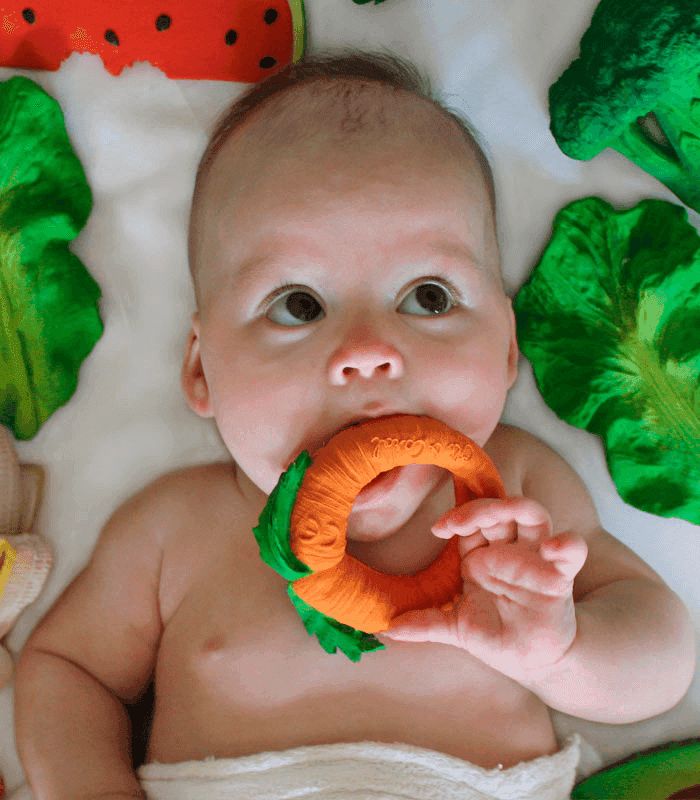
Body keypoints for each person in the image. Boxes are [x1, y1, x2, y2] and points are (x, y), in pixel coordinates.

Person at [13, 49, 696, 800]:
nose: (368, 353)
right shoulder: (174, 530)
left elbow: (661, 662)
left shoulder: (512, 500)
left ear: (506, 346)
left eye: (428, 297)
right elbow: (67, 671)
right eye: (298, 305)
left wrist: (558, 651)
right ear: (203, 370)